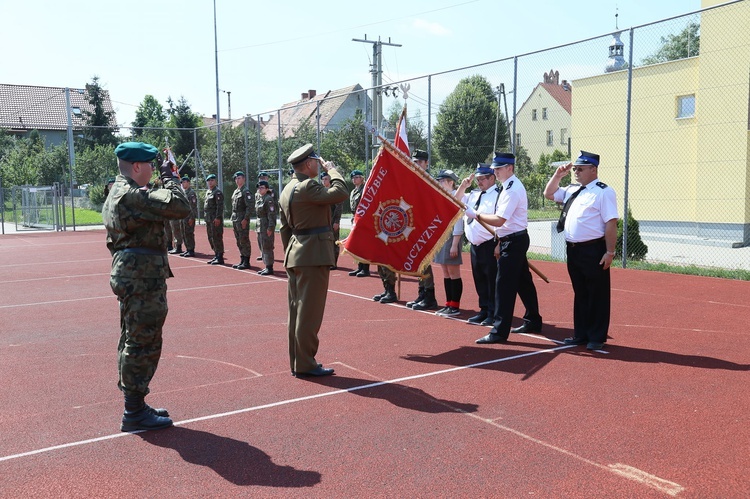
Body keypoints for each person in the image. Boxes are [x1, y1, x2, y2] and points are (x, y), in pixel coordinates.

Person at [102, 141, 190, 432]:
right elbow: (180, 206)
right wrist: (171, 178)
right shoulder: (132, 196)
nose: (154, 170)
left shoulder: (116, 191)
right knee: (143, 342)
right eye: (151, 165)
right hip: (141, 277)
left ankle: (136, 404)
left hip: (132, 273)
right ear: (137, 166)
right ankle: (134, 411)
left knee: (133, 338)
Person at [279, 143, 348, 377]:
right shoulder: (307, 185)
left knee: (296, 312)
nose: (320, 165)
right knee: (310, 313)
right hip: (313, 255)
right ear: (308, 164)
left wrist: (292, 251)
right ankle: (306, 364)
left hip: (296, 253)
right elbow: (340, 192)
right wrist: (333, 170)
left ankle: (298, 361)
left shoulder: (287, 188)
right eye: (317, 162)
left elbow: (284, 229)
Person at [464, 152, 543, 344]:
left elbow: (500, 219)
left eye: (498, 168)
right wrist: (500, 240)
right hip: (511, 239)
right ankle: (533, 319)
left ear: (510, 168)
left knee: (504, 287)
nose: (495, 171)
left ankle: (499, 331)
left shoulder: (513, 189)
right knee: (524, 282)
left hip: (514, 241)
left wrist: (476, 215)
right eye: (494, 168)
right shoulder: (507, 187)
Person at [544, 150, 618, 351]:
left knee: (597, 294)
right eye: (575, 169)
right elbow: (549, 194)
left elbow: (611, 222)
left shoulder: (604, 191)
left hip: (593, 249)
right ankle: (581, 334)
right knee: (581, 293)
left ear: (593, 169)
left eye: (580, 169)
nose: (576, 172)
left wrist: (609, 252)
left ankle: (596, 336)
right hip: (574, 250)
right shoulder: (573, 190)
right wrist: (558, 175)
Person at [455, 164, 501, 326]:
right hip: (475, 245)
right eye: (478, 179)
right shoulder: (474, 194)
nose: (479, 182)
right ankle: (483, 309)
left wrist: (499, 243)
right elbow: (456, 200)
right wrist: (463, 186)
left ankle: (493, 312)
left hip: (490, 243)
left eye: (483, 179)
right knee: (479, 278)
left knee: (491, 280)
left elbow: (502, 220)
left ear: (492, 178)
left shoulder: (499, 195)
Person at [407, 149, 438, 311]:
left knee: (424, 262)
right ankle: (422, 293)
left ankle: (430, 296)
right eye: (415, 162)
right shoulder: (411, 180)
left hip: (427, 227)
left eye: (420, 162)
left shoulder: (430, 181)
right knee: (417, 262)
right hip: (414, 227)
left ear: (426, 164)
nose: (417, 164)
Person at [432, 170, 464, 317]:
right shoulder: (442, 197)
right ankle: (448, 303)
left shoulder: (457, 196)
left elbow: (458, 222)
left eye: (442, 180)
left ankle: (455, 306)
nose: (439, 183)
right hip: (442, 237)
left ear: (451, 182)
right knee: (445, 272)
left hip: (452, 237)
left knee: (453, 272)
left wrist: (455, 243)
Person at [348, 169, 371, 277]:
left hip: (363, 219)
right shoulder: (353, 191)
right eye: (353, 177)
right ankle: (359, 267)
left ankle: (365, 269)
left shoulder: (365, 190)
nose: (354, 179)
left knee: (364, 245)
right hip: (355, 219)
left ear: (362, 179)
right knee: (356, 244)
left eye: (357, 177)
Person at [230, 171, 254, 270]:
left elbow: (250, 206)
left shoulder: (246, 191)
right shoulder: (236, 191)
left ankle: (246, 261)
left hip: (242, 219)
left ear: (244, 179)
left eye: (239, 178)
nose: (237, 180)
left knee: (244, 240)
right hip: (235, 219)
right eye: (236, 178)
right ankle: (242, 259)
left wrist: (245, 219)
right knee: (239, 240)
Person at [321, 171, 344, 270]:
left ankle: (333, 263)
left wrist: (336, 221)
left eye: (326, 179)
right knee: (325, 242)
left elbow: (338, 207)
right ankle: (327, 261)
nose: (324, 181)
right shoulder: (322, 191)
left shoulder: (334, 192)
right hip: (324, 221)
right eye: (323, 179)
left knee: (334, 242)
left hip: (332, 221)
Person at [255, 179, 277, 275]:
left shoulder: (268, 199)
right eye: (259, 187)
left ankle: (269, 267)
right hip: (260, 226)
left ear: (267, 189)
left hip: (266, 225)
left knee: (267, 246)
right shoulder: (260, 198)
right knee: (262, 246)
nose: (260, 189)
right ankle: (266, 265)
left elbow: (271, 214)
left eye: (262, 187)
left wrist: (270, 227)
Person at [204, 173, 225, 265]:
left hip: (215, 219)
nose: (210, 182)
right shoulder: (208, 192)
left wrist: (218, 217)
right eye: (209, 180)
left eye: (212, 180)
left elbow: (220, 207)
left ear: (215, 181)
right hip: (208, 219)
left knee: (217, 237)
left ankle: (220, 256)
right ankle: (216, 254)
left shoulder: (217, 192)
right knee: (210, 237)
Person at [179, 176, 198, 257]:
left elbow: (193, 207)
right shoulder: (184, 192)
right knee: (184, 233)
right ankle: (187, 249)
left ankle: (191, 249)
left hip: (189, 217)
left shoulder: (191, 193)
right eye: (182, 182)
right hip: (183, 217)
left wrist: (192, 218)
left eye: (184, 182)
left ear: (188, 183)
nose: (183, 184)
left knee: (189, 233)